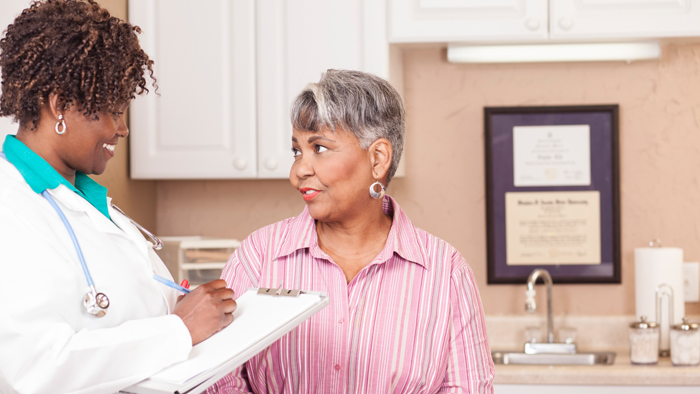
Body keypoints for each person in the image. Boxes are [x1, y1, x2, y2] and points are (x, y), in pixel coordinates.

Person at [208, 70, 495, 393]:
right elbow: (217, 378)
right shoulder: (259, 257)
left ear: (378, 158)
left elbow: (467, 388)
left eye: (319, 148)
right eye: (297, 151)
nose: (299, 170)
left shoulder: (446, 273)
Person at [0, 1, 236, 393]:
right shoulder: (11, 207)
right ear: (59, 105)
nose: (122, 129)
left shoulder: (86, 200)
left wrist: (180, 308)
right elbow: (32, 369)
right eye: (111, 110)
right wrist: (178, 329)